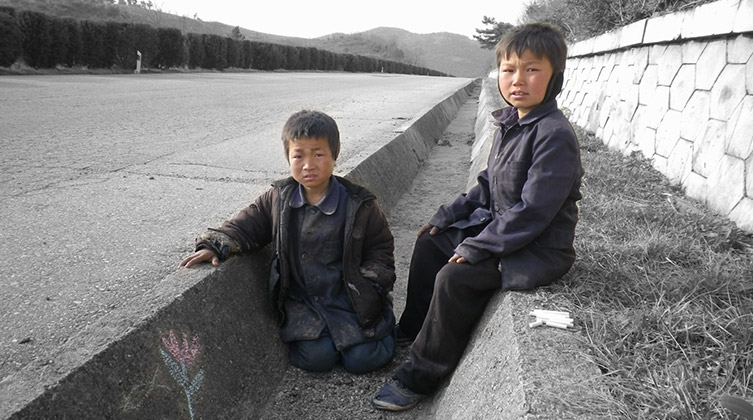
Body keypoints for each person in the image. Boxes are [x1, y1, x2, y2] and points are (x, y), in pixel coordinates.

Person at [371, 22, 584, 411]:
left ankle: (421, 375)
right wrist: (448, 214)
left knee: (457, 276)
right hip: (501, 230)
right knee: (430, 242)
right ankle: (414, 329)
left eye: (532, 69)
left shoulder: (554, 134)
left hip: (536, 248)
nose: (518, 80)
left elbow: (533, 212)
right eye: (508, 69)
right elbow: (488, 183)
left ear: (555, 77)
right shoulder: (510, 122)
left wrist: (477, 244)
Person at [180, 110, 397, 374]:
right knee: (316, 359)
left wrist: (370, 284)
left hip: (349, 298)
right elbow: (245, 225)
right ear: (288, 157)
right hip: (303, 302)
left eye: (318, 154)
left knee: (364, 360)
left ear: (334, 155)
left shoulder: (360, 204)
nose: (308, 165)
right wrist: (214, 244)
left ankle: (381, 331)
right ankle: (328, 339)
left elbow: (381, 249)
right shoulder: (278, 199)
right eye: (299, 156)